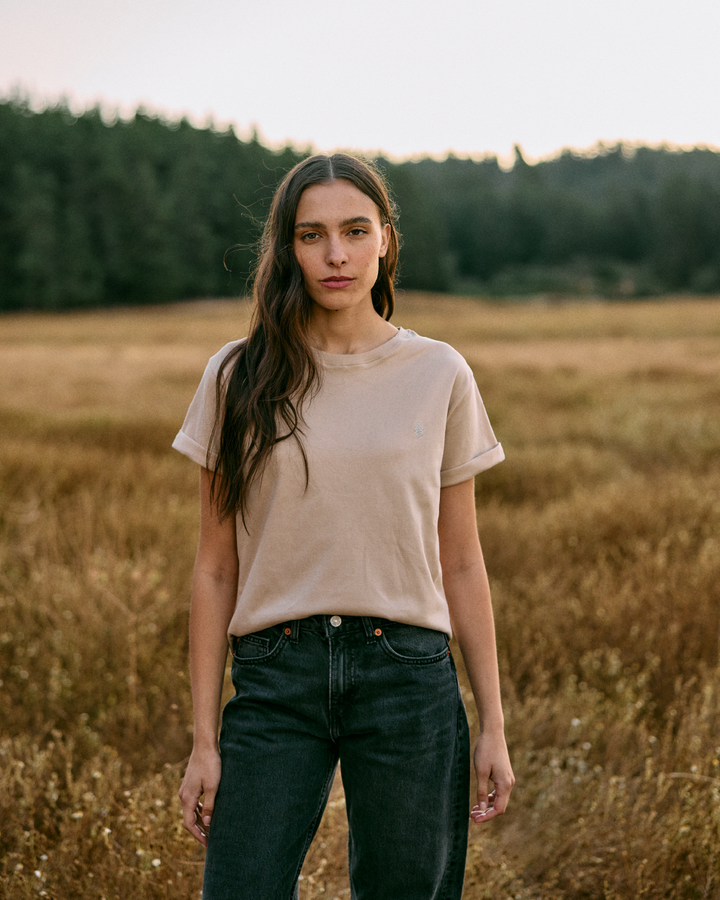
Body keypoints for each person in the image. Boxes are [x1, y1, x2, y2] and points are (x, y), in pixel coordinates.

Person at [173, 152, 514, 900]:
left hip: (408, 676)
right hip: (275, 674)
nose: (335, 254)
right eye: (312, 234)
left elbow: (460, 559)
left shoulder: (440, 371)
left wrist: (492, 722)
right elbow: (215, 566)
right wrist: (203, 739)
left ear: (386, 239)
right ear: (286, 247)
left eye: (355, 231)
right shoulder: (237, 376)